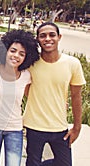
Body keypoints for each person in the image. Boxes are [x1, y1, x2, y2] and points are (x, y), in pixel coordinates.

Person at [23, 22, 86, 166]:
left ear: (59, 37)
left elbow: (76, 97)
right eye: (42, 36)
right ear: (38, 39)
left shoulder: (72, 63)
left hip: (60, 128)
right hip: (34, 127)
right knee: (32, 163)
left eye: (52, 35)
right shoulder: (31, 63)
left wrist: (77, 127)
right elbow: (26, 89)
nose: (47, 39)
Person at [0, 30, 39, 166]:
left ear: (26, 58)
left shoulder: (26, 76)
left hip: (15, 129)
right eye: (13, 51)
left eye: (21, 54)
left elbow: (32, 99)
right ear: (6, 50)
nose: (16, 56)